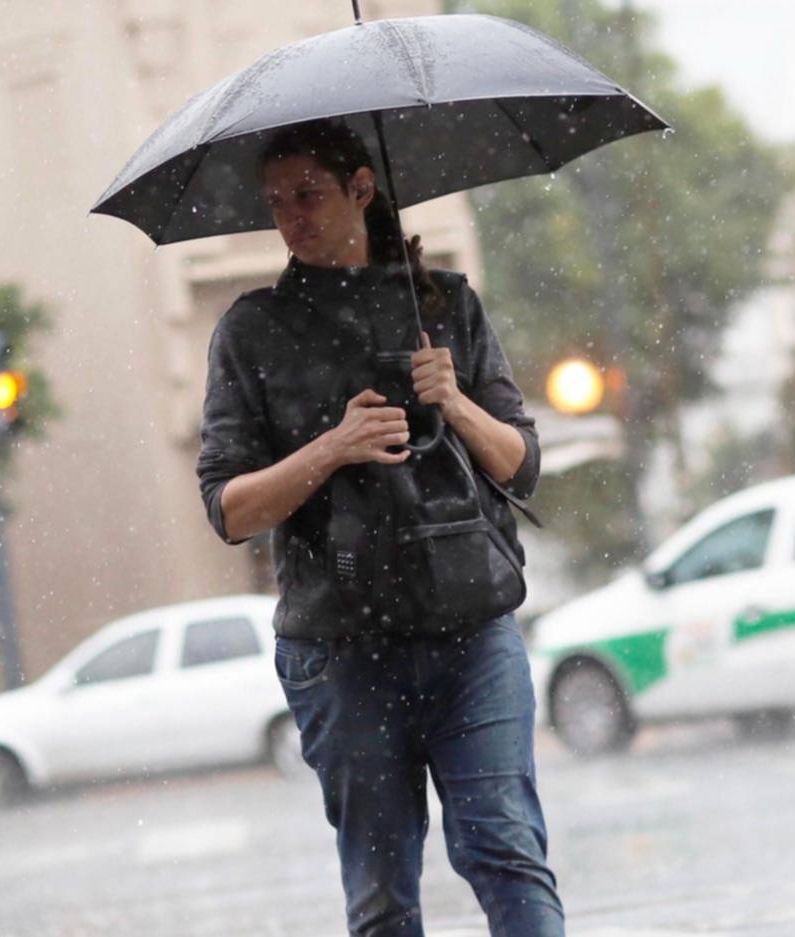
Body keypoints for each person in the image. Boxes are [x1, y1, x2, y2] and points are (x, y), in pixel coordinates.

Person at [196, 119, 564, 936]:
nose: (292, 216)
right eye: (277, 201)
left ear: (362, 188)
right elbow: (227, 508)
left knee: (504, 847)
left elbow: (521, 465)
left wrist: (456, 400)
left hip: (471, 628)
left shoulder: (447, 305)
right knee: (383, 893)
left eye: (310, 194)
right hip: (342, 651)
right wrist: (332, 447)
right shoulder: (252, 332)